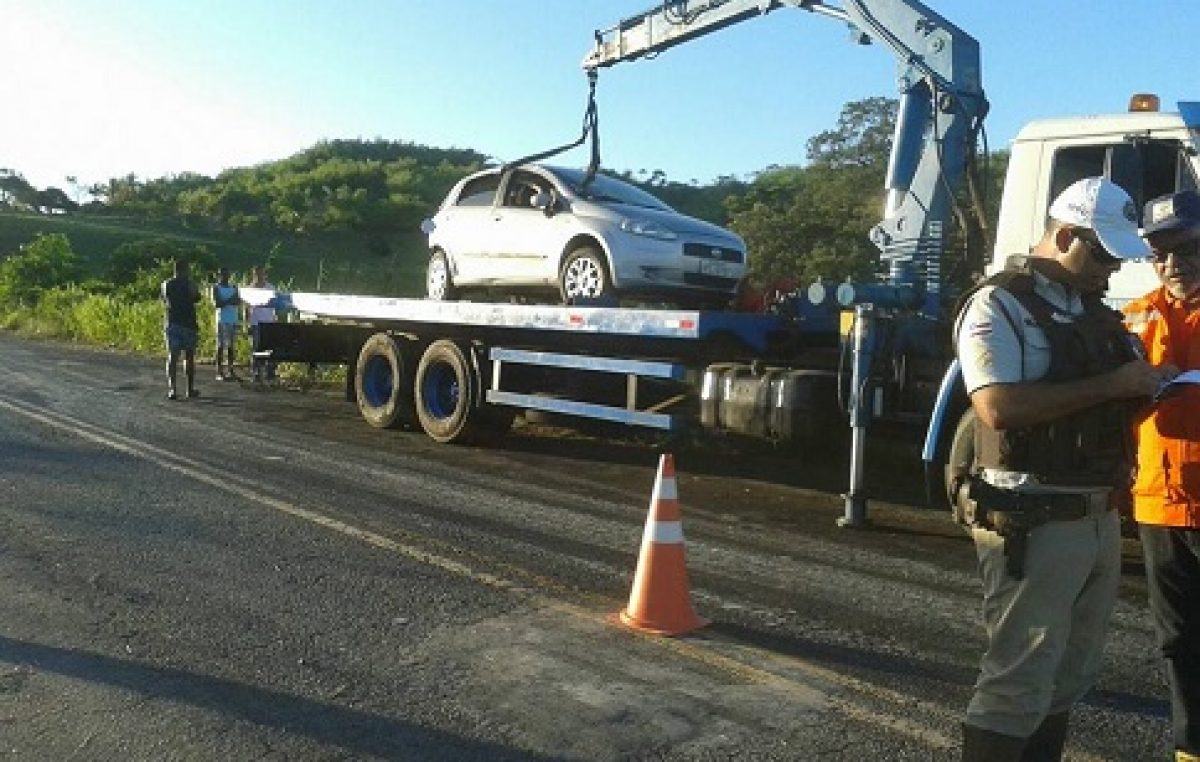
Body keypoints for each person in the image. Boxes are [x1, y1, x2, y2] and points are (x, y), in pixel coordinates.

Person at [952, 176, 1166, 760]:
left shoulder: (1090, 312)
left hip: (1094, 513)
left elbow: (1100, 394)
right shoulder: (998, 305)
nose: (1114, 272)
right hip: (1034, 516)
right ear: (1066, 235)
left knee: (1068, 677)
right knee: (1016, 681)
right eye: (1104, 255)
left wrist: (1144, 386)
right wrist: (1114, 384)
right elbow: (997, 408)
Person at [1122, 189, 1200, 762]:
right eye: (1161, 252)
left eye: (1187, 248)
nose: (1174, 263)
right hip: (1159, 504)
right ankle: (1189, 748)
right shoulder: (1134, 316)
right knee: (1178, 641)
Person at [161, 257, 202, 400]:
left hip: (173, 322)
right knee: (188, 357)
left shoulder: (166, 284)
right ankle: (189, 389)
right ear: (184, 270)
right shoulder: (189, 283)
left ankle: (173, 389)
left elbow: (167, 300)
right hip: (188, 323)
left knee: (173, 356)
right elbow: (196, 297)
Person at [247, 265, 277, 383]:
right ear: (254, 275)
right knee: (256, 348)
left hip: (268, 322)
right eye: (257, 274)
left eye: (262, 274)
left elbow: (275, 305)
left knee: (269, 348)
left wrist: (275, 320)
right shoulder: (250, 289)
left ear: (265, 275)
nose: (259, 277)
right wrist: (247, 323)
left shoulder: (270, 288)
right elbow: (247, 308)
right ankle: (256, 372)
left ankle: (269, 372)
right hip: (255, 322)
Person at [211, 266, 242, 381]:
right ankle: (219, 371)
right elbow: (217, 304)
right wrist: (230, 300)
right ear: (219, 275)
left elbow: (238, 301)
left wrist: (226, 301)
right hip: (222, 319)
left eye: (227, 274)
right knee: (220, 346)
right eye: (223, 274)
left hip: (233, 319)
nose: (226, 277)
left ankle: (231, 369)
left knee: (231, 347)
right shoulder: (216, 287)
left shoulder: (234, 287)